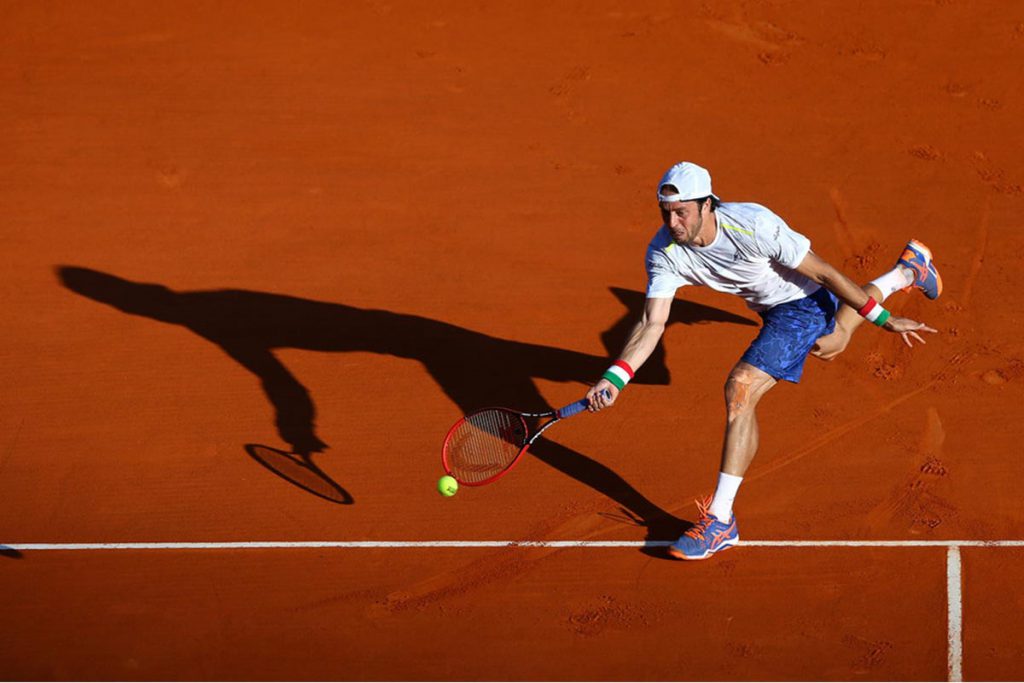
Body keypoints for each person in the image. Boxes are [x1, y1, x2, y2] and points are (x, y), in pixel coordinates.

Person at [585, 161, 941, 561]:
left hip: (803, 302)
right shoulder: (665, 252)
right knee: (834, 342)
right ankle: (907, 272)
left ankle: (720, 521)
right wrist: (615, 378)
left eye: (681, 211)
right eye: (665, 212)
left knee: (741, 387)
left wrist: (885, 319)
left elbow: (823, 273)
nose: (672, 221)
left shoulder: (753, 224)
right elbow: (652, 322)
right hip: (769, 309)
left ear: (706, 205)